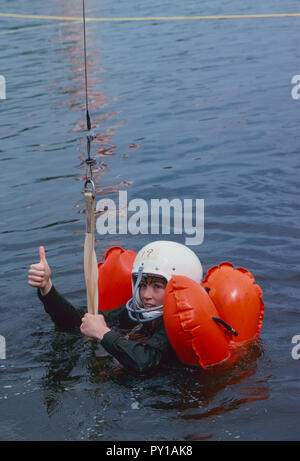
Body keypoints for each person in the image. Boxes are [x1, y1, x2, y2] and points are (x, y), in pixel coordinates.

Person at [28, 241, 203, 374]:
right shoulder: (140, 311)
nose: (146, 295)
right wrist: (46, 288)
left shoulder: (177, 324)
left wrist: (103, 333)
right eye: (142, 285)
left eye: (157, 286)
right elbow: (76, 322)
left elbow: (145, 362)